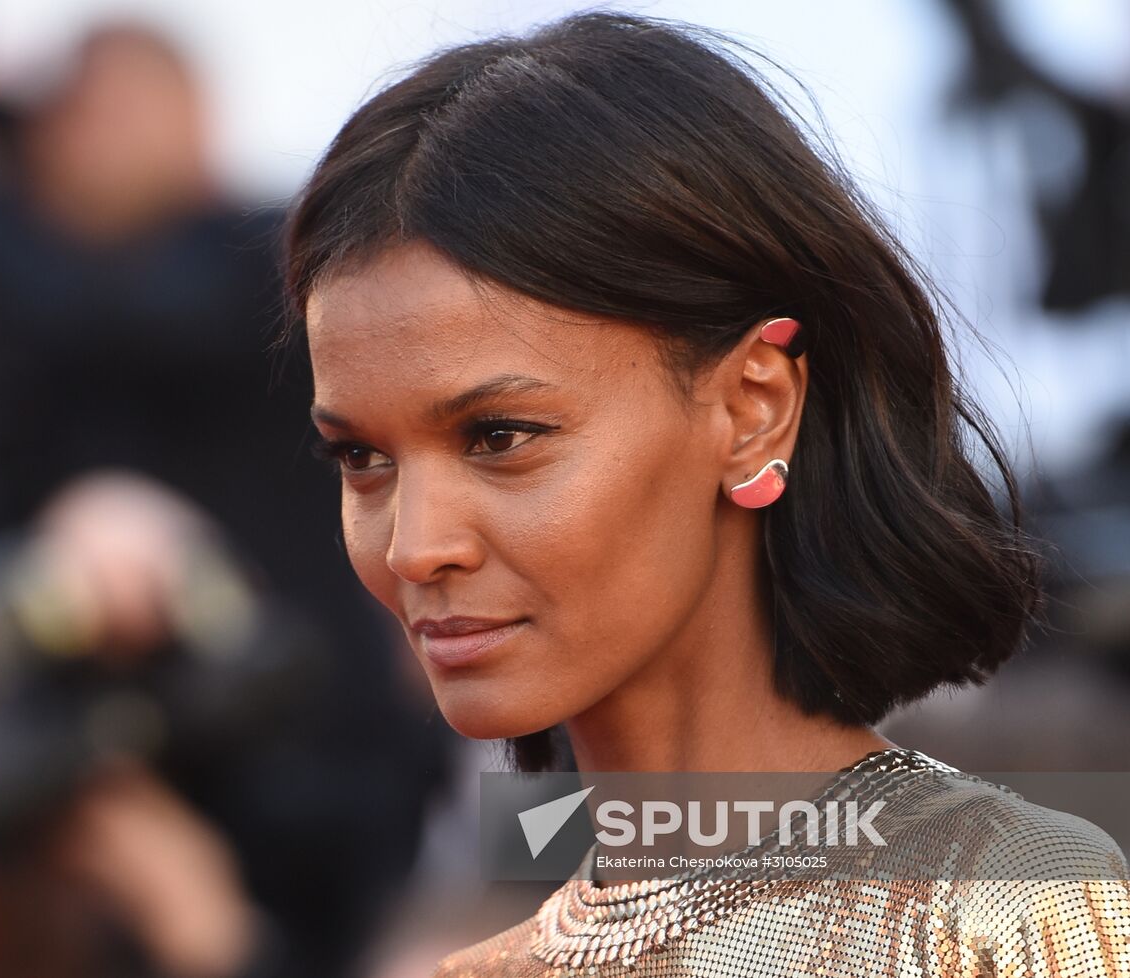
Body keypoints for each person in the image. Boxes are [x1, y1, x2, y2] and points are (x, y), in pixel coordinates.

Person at [282, 12, 1130, 977]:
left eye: (501, 438)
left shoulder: (1001, 908)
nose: (412, 547)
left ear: (753, 410)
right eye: (362, 460)